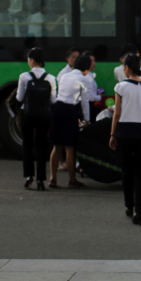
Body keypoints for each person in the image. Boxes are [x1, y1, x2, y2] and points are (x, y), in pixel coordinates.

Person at [109, 53, 141, 225]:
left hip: (125, 132)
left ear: (127, 68)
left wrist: (112, 134)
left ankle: (129, 206)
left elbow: (117, 114)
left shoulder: (120, 87)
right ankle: (140, 211)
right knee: (140, 173)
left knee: (126, 171)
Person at [16, 47, 57, 191]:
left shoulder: (24, 77)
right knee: (41, 145)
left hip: (27, 115)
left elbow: (19, 98)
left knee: (27, 144)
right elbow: (53, 100)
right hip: (44, 115)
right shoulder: (51, 78)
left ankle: (29, 177)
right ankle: (41, 179)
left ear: (32, 60)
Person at [49, 54, 91, 189]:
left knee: (57, 146)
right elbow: (85, 101)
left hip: (57, 109)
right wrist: (87, 120)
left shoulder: (65, 75)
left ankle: (52, 179)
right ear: (86, 68)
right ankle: (72, 179)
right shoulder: (83, 79)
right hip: (69, 111)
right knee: (70, 147)